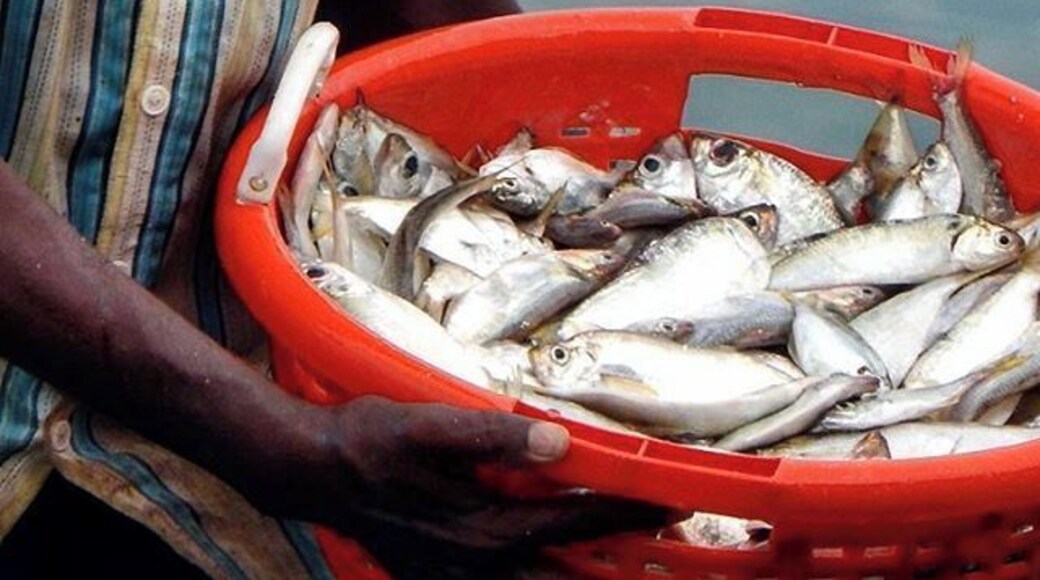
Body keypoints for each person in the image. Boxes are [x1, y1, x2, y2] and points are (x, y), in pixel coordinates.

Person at [0, 1, 664, 578]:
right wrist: (274, 437)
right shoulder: (275, 442)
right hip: (230, 430)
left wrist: (561, 174)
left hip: (255, 418)